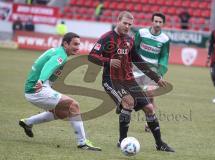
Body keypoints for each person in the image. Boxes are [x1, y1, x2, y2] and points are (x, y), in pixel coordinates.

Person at [88, 11, 174, 152]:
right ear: (118, 21)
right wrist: (108, 61)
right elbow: (92, 56)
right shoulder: (106, 38)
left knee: (150, 108)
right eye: (125, 23)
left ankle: (160, 144)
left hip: (129, 80)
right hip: (111, 80)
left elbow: (138, 61)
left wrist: (156, 77)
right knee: (128, 102)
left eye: (130, 24)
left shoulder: (129, 40)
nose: (127, 26)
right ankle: (122, 140)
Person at [19, 32, 101, 151]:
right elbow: (49, 66)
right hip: (37, 90)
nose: (78, 47)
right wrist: (41, 80)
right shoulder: (61, 55)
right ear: (65, 44)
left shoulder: (57, 52)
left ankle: (27, 122)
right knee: (74, 105)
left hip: (39, 87)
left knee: (62, 112)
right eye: (75, 44)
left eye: (79, 44)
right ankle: (83, 143)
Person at [133, 12, 170, 132]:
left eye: (160, 22)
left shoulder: (165, 39)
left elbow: (164, 56)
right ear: (152, 21)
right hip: (137, 67)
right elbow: (134, 48)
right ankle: (122, 104)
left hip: (153, 70)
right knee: (132, 93)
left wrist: (160, 72)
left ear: (163, 24)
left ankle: (149, 122)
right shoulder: (142, 33)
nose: (157, 24)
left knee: (150, 94)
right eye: (156, 21)